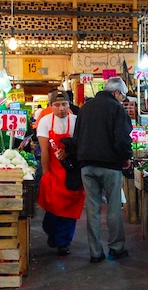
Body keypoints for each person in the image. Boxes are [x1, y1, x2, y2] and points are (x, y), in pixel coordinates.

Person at [71, 77, 132, 264]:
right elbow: (122, 138)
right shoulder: (116, 108)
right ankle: (116, 248)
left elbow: (77, 136)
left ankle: (95, 252)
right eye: (122, 96)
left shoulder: (85, 108)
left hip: (86, 165)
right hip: (110, 165)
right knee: (113, 208)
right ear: (116, 93)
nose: (122, 100)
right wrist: (126, 158)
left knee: (92, 209)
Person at [35, 91, 85, 256]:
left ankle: (64, 242)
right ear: (50, 107)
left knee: (70, 208)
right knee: (53, 206)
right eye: (57, 105)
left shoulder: (77, 122)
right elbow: (44, 151)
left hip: (72, 173)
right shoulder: (45, 122)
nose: (61, 108)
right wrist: (46, 174)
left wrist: (70, 151)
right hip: (54, 172)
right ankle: (51, 232)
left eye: (64, 104)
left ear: (69, 105)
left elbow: (83, 145)